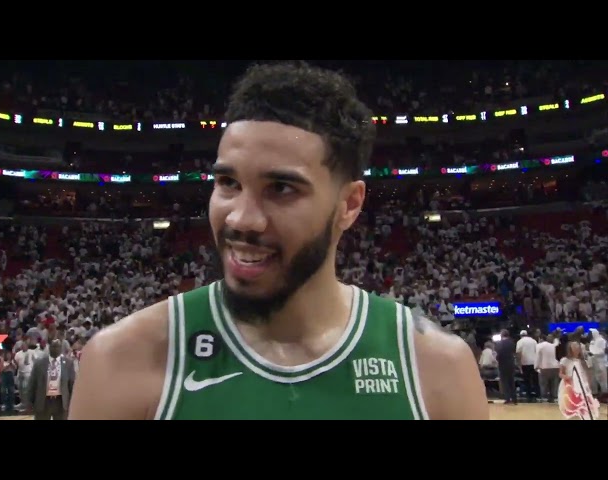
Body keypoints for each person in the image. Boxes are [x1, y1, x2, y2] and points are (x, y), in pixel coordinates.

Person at [69, 61, 489, 420]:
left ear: (349, 204)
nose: (241, 218)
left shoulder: (437, 369)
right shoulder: (121, 361)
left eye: (281, 189)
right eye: (228, 182)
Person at [28, 340, 76, 420]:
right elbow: (32, 383)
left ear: (61, 349)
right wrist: (30, 401)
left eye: (57, 347)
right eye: (53, 346)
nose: (55, 349)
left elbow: (71, 384)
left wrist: (72, 402)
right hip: (43, 401)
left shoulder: (68, 363)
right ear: (49, 348)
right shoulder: (39, 363)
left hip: (61, 401)